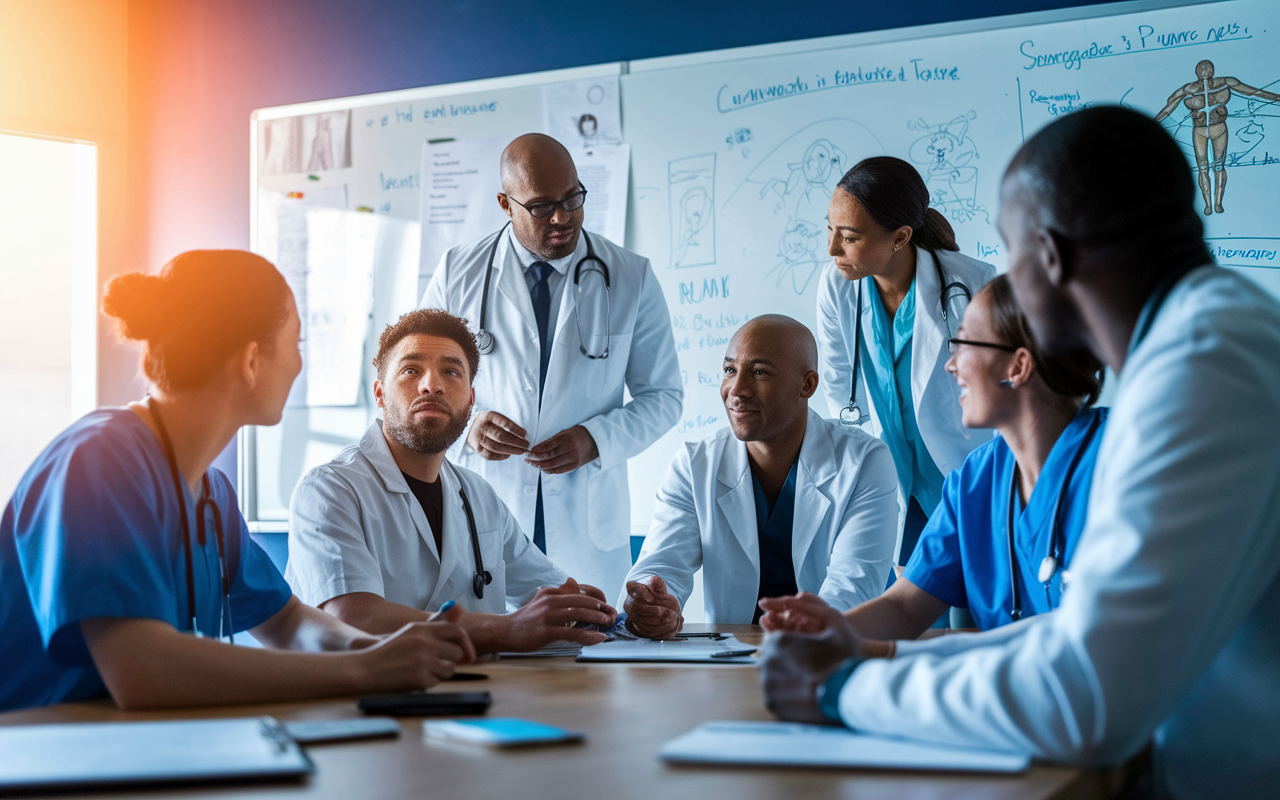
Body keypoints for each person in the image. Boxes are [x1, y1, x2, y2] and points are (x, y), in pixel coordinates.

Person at [758, 106, 1280, 799]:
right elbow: (1074, 636)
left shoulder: (1201, 370)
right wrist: (860, 652)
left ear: (1051, 257)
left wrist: (846, 689)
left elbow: (1087, 694)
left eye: (1010, 250)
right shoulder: (1209, 338)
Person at [0, 251, 474, 713]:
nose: (297, 365)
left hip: (130, 745)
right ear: (251, 362)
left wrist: (376, 648)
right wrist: (364, 670)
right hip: (40, 748)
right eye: (295, 345)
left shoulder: (212, 493)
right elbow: (142, 670)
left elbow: (287, 622)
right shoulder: (99, 461)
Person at [761, 275, 1106, 645]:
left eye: (962, 343)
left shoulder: (1119, 457)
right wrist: (830, 631)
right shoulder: (976, 480)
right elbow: (904, 609)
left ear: (1017, 367)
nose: (950, 365)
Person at [421, 133, 681, 598]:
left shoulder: (629, 276)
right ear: (506, 203)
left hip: (586, 524)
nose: (562, 218)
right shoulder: (458, 273)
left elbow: (664, 397)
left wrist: (596, 439)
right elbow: (423, 384)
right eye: (541, 207)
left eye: (572, 199)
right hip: (486, 509)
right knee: (489, 655)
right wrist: (469, 427)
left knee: (587, 655)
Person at [286, 309, 617, 654]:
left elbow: (558, 600)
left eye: (451, 371)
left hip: (472, 697)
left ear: (471, 400)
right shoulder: (328, 490)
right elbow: (354, 618)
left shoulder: (478, 496)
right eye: (411, 370)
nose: (432, 384)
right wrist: (505, 628)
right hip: (354, 702)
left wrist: (623, 616)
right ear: (380, 394)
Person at [622, 315, 898, 637]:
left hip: (829, 657)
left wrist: (805, 634)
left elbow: (851, 589)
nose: (736, 390)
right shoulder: (695, 464)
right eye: (729, 370)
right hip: (729, 660)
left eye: (759, 373)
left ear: (807, 385)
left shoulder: (864, 462)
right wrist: (651, 604)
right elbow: (660, 565)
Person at [817, 156, 996, 574]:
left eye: (849, 237)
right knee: (909, 613)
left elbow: (1004, 390)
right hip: (892, 480)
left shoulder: (972, 284)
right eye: (830, 229)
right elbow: (838, 383)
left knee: (968, 614)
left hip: (964, 470)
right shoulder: (836, 287)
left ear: (899, 237)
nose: (832, 249)